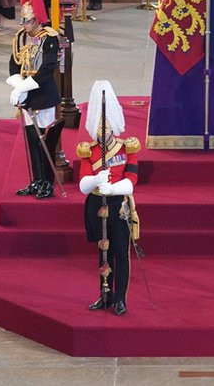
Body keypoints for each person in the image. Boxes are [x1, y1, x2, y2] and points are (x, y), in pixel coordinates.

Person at [77, 80, 139, 316]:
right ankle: (105, 294)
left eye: (107, 130)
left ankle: (120, 298)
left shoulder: (126, 149)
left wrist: (112, 189)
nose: (104, 135)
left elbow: (132, 180)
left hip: (118, 205)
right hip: (96, 205)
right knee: (103, 253)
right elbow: (83, 183)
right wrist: (95, 181)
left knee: (120, 254)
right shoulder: (89, 150)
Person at [7, 0, 61, 199]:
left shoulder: (49, 38)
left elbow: (47, 68)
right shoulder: (21, 37)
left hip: (43, 95)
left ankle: (47, 182)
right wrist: (18, 86)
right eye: (22, 21)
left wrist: (24, 86)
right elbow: (14, 64)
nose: (24, 25)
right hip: (27, 97)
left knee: (44, 141)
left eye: (27, 21)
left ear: (37, 19)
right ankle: (36, 180)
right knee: (31, 139)